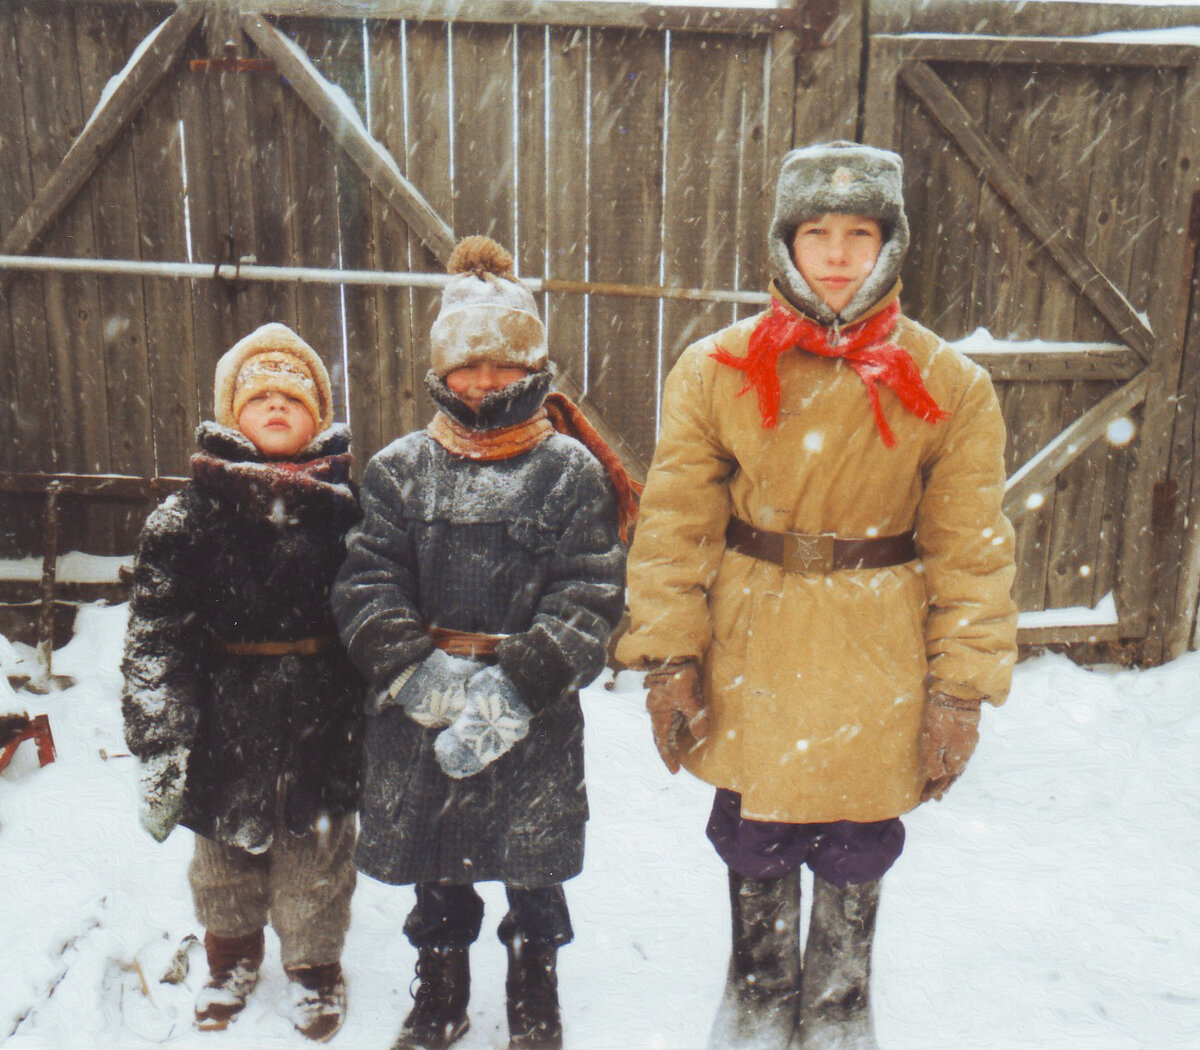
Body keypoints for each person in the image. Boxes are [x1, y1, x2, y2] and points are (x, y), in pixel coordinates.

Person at [617, 141, 1018, 1050]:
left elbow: (972, 552)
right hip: (752, 629)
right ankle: (758, 987)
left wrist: (961, 686)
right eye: (816, 233)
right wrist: (669, 655)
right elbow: (674, 526)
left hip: (877, 638)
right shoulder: (715, 369)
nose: (837, 254)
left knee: (855, 828)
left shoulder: (950, 384)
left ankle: (840, 999)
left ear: (892, 246)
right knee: (754, 826)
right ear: (784, 246)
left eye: (860, 232)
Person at [331, 236, 631, 1050]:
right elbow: (364, 584)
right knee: (440, 855)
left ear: (533, 369)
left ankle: (536, 977)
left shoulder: (570, 472)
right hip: (417, 703)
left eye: (503, 363)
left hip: (530, 705)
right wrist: (416, 674)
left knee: (533, 859)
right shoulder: (399, 470)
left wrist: (519, 684)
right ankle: (441, 982)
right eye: (469, 365)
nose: (486, 380)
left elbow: (591, 594)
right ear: (441, 371)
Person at [121, 323, 363, 1042]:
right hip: (225, 710)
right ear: (232, 417)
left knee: (317, 855)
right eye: (261, 398)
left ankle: (315, 967)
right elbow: (155, 635)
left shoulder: (352, 513)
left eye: (295, 397)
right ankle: (229, 956)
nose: (278, 407)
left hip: (325, 708)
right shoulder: (188, 515)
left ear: (319, 417)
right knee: (224, 852)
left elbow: (381, 618)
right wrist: (159, 739)